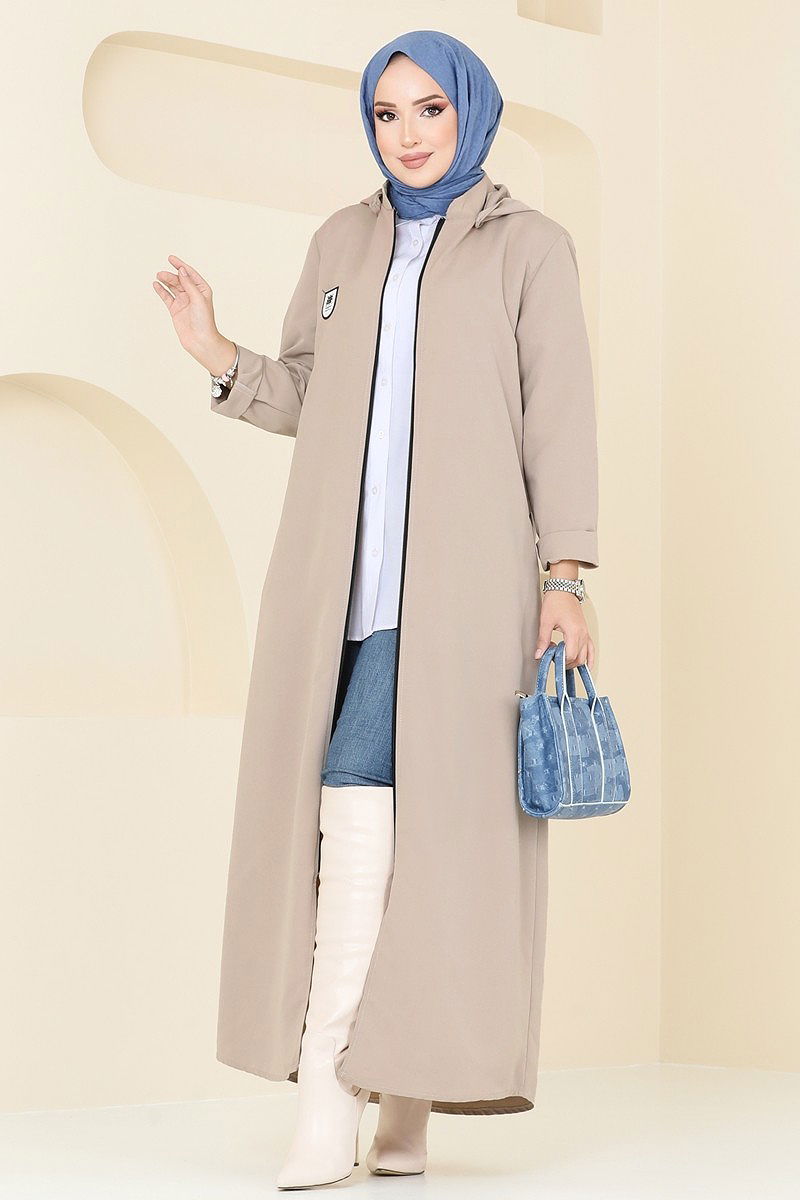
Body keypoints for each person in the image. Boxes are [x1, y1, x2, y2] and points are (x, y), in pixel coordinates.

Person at [154, 29, 598, 1192]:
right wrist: (216, 351)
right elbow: (308, 391)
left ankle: (327, 1094)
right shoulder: (341, 241)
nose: (406, 133)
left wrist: (565, 575)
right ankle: (403, 1101)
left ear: (470, 113)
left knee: (376, 814)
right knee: (391, 829)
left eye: (428, 110)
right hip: (335, 591)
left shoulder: (527, 247)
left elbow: (557, 413)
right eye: (386, 113)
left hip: (461, 590)